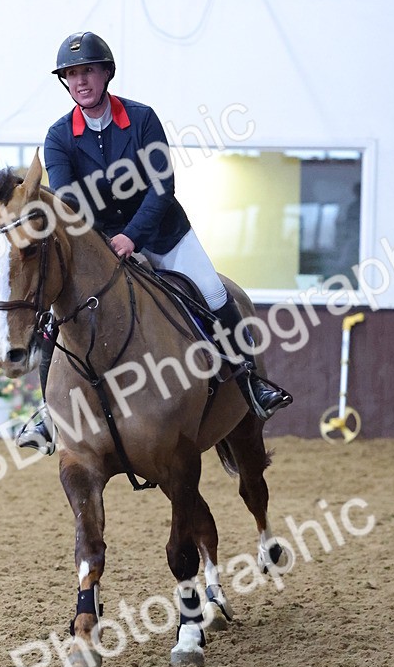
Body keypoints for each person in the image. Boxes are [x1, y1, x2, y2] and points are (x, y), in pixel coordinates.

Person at [18, 31, 292, 454]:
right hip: (98, 245)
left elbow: (161, 186)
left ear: (106, 73)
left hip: (162, 232)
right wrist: (102, 242)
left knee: (216, 294)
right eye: (71, 75)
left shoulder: (142, 119)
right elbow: (69, 199)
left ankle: (250, 383)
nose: (80, 81)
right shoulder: (59, 136)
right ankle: (48, 413)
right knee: (54, 314)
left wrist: (133, 237)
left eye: (87, 71)